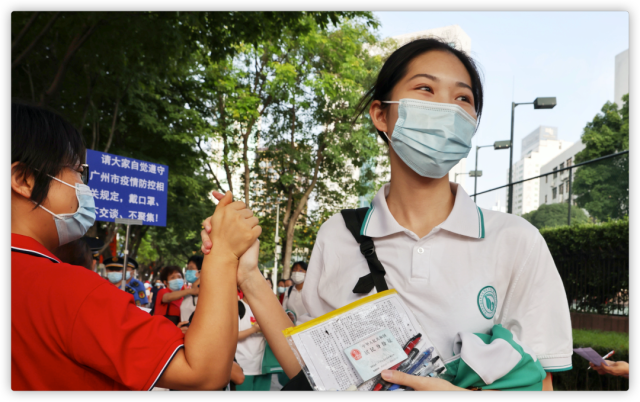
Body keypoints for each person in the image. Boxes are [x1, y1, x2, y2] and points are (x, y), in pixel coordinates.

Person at [201, 38, 573, 391]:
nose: (447, 108)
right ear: (381, 114)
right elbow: (315, 370)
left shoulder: (515, 240)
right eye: (426, 89)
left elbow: (542, 382)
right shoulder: (338, 234)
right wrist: (247, 274)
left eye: (463, 97)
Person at [12, 101, 261, 390]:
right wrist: (223, 254)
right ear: (25, 179)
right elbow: (204, 371)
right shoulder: (66, 290)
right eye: (78, 172)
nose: (83, 186)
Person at [180, 255, 203, 323]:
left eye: (191, 268)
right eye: (187, 268)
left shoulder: (205, 293)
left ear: (201, 271)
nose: (188, 271)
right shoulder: (188, 293)